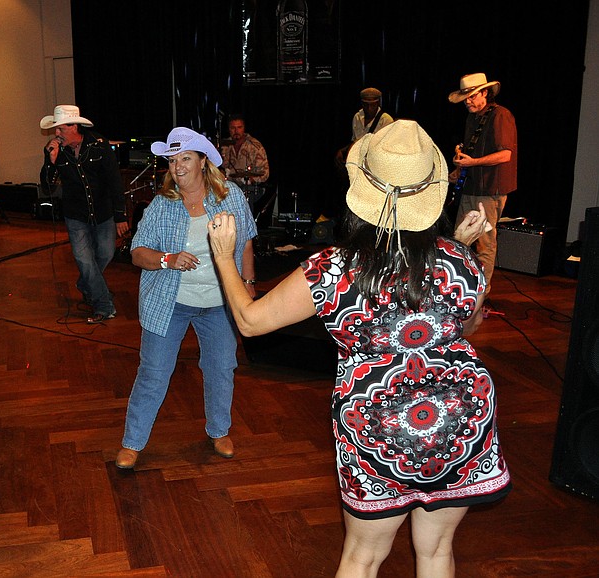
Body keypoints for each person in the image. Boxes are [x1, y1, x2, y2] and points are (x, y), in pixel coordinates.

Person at [208, 120, 510, 577]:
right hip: (459, 415)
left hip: (377, 422)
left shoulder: (332, 269)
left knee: (363, 557)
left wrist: (223, 253)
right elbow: (461, 324)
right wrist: (461, 246)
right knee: (437, 549)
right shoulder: (462, 260)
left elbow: (250, 322)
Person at [115, 127, 258, 470]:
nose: (177, 167)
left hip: (219, 302)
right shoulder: (162, 206)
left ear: (203, 162)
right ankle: (132, 443)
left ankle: (219, 431)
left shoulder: (230, 197)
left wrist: (249, 283)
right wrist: (168, 259)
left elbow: (247, 240)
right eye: (172, 160)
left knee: (221, 367)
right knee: (153, 372)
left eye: (185, 159)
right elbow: (137, 253)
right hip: (170, 301)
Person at [39, 104, 129, 324]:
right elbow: (47, 187)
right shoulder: (56, 151)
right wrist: (50, 162)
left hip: (103, 213)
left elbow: (114, 181)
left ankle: (85, 283)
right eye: (55, 129)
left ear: (74, 126)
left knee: (106, 254)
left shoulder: (99, 145)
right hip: (76, 215)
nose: (56, 133)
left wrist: (121, 215)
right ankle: (103, 305)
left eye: (60, 129)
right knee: (85, 260)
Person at [449, 73, 518, 295]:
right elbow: (472, 153)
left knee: (484, 244)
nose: (467, 101)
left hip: (490, 189)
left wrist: (473, 162)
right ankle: (459, 289)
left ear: (485, 93)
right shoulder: (473, 118)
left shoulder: (501, 115)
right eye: (465, 98)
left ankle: (481, 296)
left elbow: (505, 154)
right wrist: (459, 168)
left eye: (471, 96)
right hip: (472, 186)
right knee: (460, 239)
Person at [335, 87, 394, 168]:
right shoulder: (357, 116)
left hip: (376, 161)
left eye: (373, 105)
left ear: (378, 103)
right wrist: (342, 150)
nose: (369, 108)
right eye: (366, 105)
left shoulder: (386, 120)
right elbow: (355, 140)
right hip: (358, 159)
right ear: (362, 103)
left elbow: (387, 148)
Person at [220, 114, 270, 186]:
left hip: (249, 188)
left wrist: (251, 180)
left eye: (239, 127)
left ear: (244, 128)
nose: (236, 131)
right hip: (227, 188)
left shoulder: (255, 146)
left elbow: (265, 173)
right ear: (228, 129)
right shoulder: (223, 146)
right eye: (233, 128)